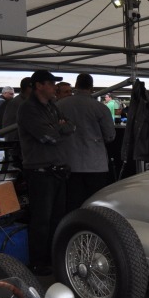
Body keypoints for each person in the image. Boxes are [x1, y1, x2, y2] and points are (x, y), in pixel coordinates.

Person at [17, 70, 77, 275]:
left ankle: (53, 257)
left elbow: (71, 127)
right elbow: (47, 136)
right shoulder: (28, 109)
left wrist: (58, 128)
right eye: (51, 83)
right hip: (39, 171)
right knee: (41, 219)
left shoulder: (52, 106)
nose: (54, 87)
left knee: (57, 218)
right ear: (39, 86)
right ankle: (38, 262)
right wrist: (59, 128)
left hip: (57, 169)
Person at [57, 73, 116, 212]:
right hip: (95, 164)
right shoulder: (100, 108)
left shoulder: (59, 106)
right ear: (91, 87)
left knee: (72, 204)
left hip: (68, 163)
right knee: (95, 205)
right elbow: (110, 136)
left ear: (76, 85)